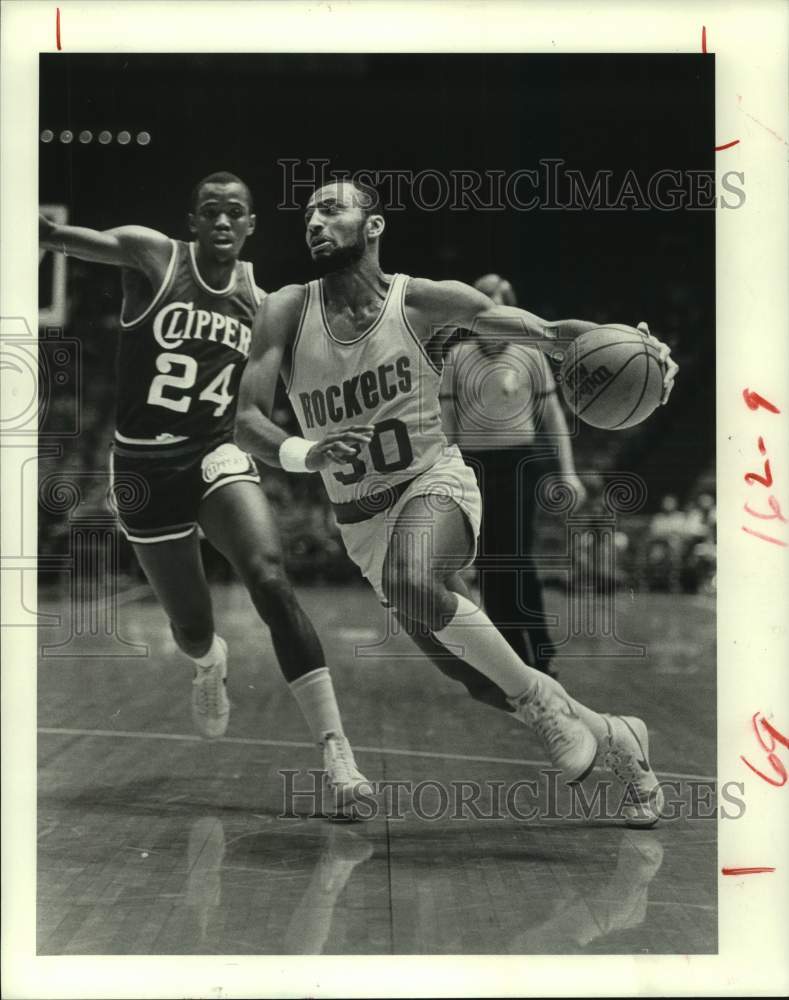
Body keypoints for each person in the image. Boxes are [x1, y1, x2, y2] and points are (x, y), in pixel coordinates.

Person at [235, 180, 679, 827]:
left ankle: (544, 710)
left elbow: (551, 334)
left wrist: (640, 348)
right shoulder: (285, 309)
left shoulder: (419, 301)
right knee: (477, 679)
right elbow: (246, 420)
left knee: (411, 578)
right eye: (308, 212)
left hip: (433, 486)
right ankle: (617, 738)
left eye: (332, 209)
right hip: (361, 523)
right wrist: (309, 452)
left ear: (374, 225)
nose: (314, 221)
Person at [38, 172, 369, 805]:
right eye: (211, 212)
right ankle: (208, 661)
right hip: (143, 468)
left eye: (234, 213)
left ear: (250, 225)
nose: (222, 221)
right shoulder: (151, 254)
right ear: (193, 221)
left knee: (270, 578)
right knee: (191, 627)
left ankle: (336, 753)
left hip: (217, 454)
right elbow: (55, 236)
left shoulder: (260, 299)